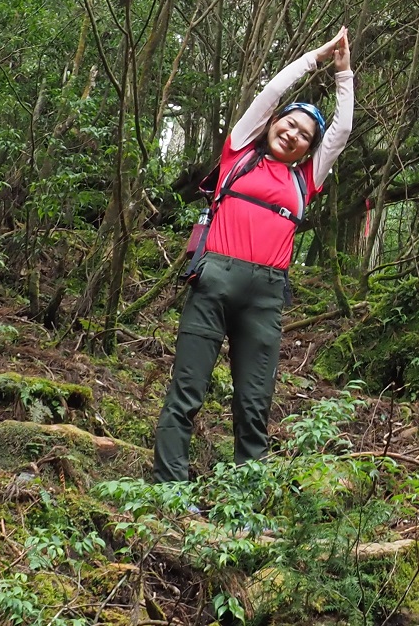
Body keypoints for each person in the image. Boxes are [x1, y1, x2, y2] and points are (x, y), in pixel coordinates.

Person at [151, 27, 354, 482]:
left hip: (265, 297)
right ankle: (168, 490)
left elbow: (341, 130)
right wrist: (314, 58)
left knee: (253, 401)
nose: (293, 134)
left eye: (304, 134)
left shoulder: (306, 180)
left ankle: (246, 499)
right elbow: (271, 93)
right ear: (273, 124)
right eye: (289, 123)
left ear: (308, 149)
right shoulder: (240, 151)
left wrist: (344, 75)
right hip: (214, 281)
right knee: (187, 389)